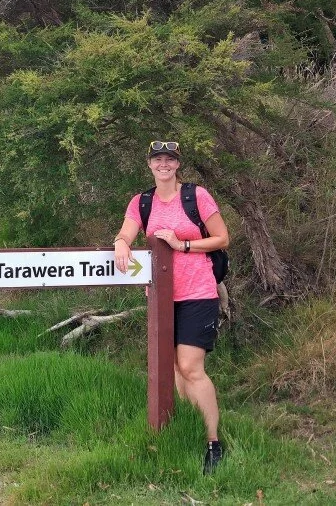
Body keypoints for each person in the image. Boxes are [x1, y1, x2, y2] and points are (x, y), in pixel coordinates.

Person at [112, 140, 230, 475]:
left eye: (169, 160)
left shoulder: (196, 196)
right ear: (149, 165)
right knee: (176, 369)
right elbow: (127, 231)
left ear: (178, 165)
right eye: (157, 160)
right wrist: (121, 243)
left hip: (198, 292)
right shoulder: (142, 202)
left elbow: (222, 238)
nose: (164, 164)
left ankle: (212, 442)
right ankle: (188, 429)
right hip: (161, 298)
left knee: (191, 367)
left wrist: (183, 245)